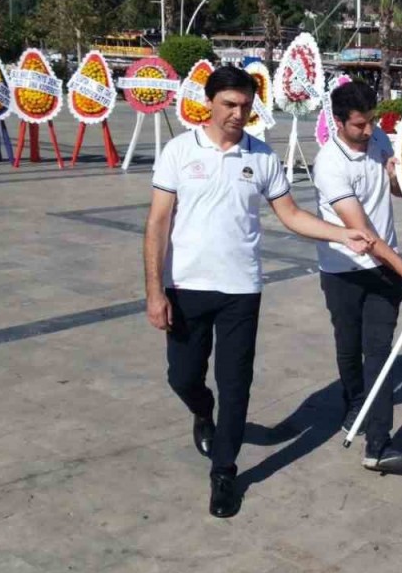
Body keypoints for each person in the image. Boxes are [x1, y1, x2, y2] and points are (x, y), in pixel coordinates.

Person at [142, 66, 375, 518]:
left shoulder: (262, 157)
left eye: (246, 105)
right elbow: (157, 224)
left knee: (236, 384)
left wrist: (340, 234)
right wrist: (155, 291)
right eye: (229, 104)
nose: (238, 113)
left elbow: (290, 215)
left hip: (241, 290)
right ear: (209, 103)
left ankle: (225, 472)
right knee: (183, 377)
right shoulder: (177, 151)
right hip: (185, 286)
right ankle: (201, 412)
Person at [312, 81, 402, 474]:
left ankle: (379, 445)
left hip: (384, 273)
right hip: (343, 271)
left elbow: (397, 193)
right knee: (349, 348)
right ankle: (355, 405)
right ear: (337, 123)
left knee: (380, 354)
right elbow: (362, 235)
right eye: (359, 126)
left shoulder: (378, 136)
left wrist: (397, 176)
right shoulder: (329, 165)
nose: (368, 132)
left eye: (371, 122)